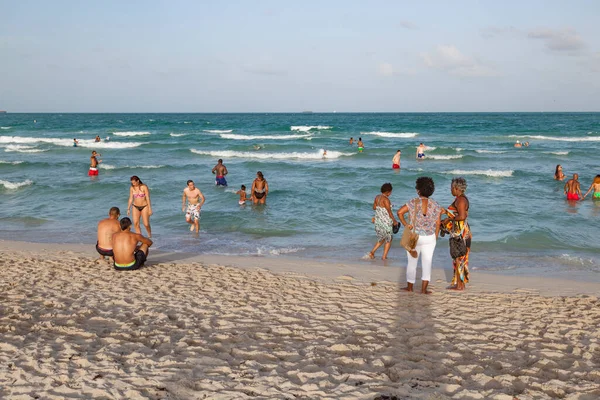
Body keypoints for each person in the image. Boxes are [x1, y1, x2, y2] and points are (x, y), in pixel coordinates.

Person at [397, 177, 442, 294]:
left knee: (412, 262)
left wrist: (407, 224)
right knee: (427, 263)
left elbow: (399, 212)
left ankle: (410, 287)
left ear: (418, 190)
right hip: (430, 237)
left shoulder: (412, 202)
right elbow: (438, 223)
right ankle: (423, 290)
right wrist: (435, 237)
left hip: (415, 237)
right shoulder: (436, 205)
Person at [442, 177, 472, 291]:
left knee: (459, 257)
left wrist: (449, 220)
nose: (450, 190)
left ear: (456, 188)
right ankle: (459, 283)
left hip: (460, 233)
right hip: (461, 231)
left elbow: (462, 216)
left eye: (451, 188)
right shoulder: (461, 199)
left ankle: (459, 285)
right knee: (459, 257)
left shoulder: (461, 200)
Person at [368, 183, 399, 260]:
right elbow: (389, 212)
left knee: (382, 238)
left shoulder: (377, 197)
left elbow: (374, 207)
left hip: (378, 222)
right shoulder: (386, 200)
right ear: (388, 192)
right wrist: (395, 221)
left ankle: (372, 252)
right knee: (389, 239)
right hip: (386, 222)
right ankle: (384, 257)